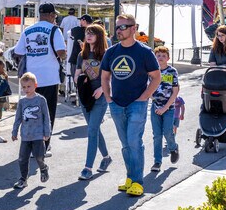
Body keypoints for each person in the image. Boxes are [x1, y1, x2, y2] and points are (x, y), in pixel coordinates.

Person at [101, 14, 160, 197]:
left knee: (134, 141)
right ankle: (129, 177)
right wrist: (108, 98)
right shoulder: (111, 52)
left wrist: (144, 98)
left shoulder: (144, 52)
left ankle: (137, 181)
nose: (118, 30)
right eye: (117, 27)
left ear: (134, 28)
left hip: (137, 104)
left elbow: (156, 77)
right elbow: (104, 76)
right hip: (117, 104)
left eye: (123, 27)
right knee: (125, 144)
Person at [13, 2, 66, 153]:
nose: (55, 17)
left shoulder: (28, 30)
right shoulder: (54, 30)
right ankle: (44, 145)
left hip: (31, 78)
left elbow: (18, 51)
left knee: (32, 112)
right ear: (50, 15)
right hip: (49, 77)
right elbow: (61, 52)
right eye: (54, 15)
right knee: (48, 112)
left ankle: (31, 145)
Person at [75, 24, 112, 180]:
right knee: (94, 129)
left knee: (91, 131)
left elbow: (111, 77)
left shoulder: (105, 55)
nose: (88, 36)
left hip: (100, 98)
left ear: (99, 36)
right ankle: (106, 157)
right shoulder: (81, 55)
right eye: (87, 33)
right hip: (85, 97)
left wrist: (102, 90)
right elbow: (76, 75)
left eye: (92, 33)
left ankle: (87, 168)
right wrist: (80, 80)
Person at [11, 72, 51, 189]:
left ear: (35, 85)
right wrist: (14, 131)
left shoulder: (41, 100)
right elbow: (18, 118)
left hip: (38, 135)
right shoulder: (22, 102)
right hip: (26, 136)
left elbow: (46, 117)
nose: (26, 89)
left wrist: (47, 133)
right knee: (22, 159)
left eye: (29, 86)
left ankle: (43, 168)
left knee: (39, 157)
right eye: (24, 87)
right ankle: (23, 179)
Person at [149, 46, 180, 173]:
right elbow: (148, 89)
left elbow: (175, 91)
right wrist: (155, 103)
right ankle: (157, 161)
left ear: (168, 58)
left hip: (169, 108)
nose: (160, 58)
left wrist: (165, 107)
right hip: (155, 107)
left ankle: (173, 148)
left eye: (163, 56)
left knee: (168, 131)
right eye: (158, 55)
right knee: (157, 135)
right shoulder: (151, 71)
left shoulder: (172, 71)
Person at [68, 14, 94, 81]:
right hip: (91, 60)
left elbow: (69, 33)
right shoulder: (95, 31)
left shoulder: (77, 30)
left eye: (81, 20)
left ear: (84, 21)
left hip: (76, 59)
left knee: (77, 81)